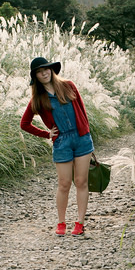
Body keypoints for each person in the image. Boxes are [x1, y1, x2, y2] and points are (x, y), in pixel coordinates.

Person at [20, 56, 94, 236]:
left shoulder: (68, 86)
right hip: (62, 142)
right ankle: (61, 223)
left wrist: (88, 137)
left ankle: (80, 223)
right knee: (64, 184)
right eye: (39, 71)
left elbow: (82, 112)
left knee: (81, 181)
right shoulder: (38, 99)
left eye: (45, 69)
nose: (43, 73)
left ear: (51, 70)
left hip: (82, 138)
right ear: (35, 77)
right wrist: (47, 134)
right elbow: (25, 123)